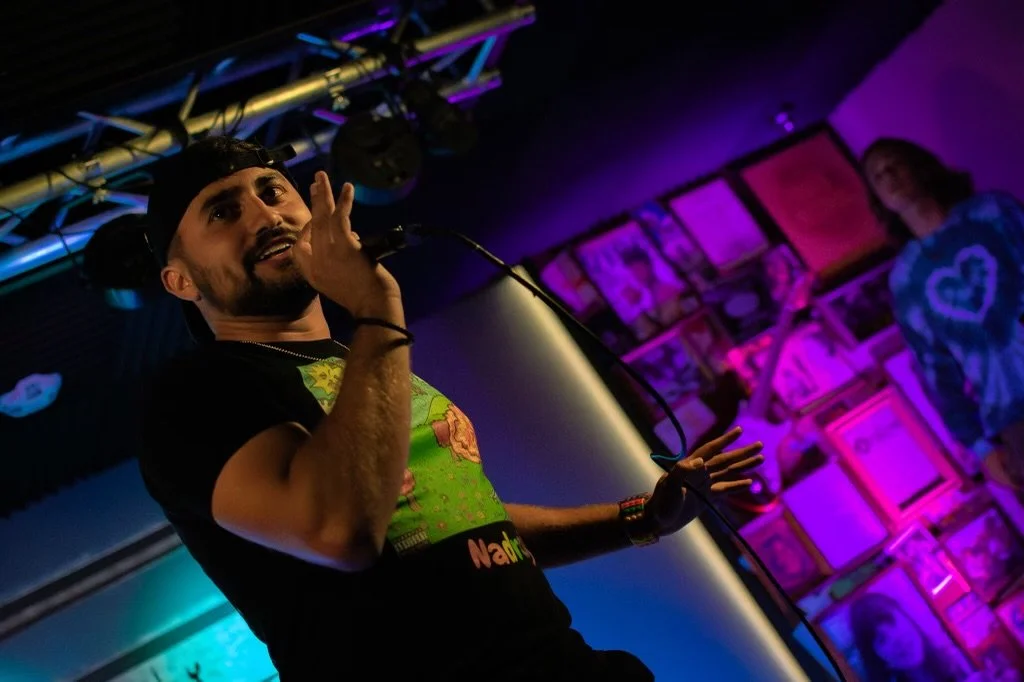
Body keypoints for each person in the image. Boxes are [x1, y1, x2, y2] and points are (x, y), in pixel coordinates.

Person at [137, 136, 765, 680]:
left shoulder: (362, 359)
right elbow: (338, 528)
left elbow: (459, 521)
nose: (265, 216)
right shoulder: (195, 395)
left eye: (274, 191)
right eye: (224, 211)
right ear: (181, 280)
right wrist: (376, 304)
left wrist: (640, 519)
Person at [862, 138, 1024, 493]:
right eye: (877, 176)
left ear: (917, 165)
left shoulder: (992, 213)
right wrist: (980, 446)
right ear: (878, 198)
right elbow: (933, 369)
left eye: (893, 164)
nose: (888, 177)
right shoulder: (907, 278)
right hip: (1012, 417)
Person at [848, 593, 972, 682]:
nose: (897, 640)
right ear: (876, 657)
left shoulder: (952, 658)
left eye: (893, 622)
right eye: (882, 639)